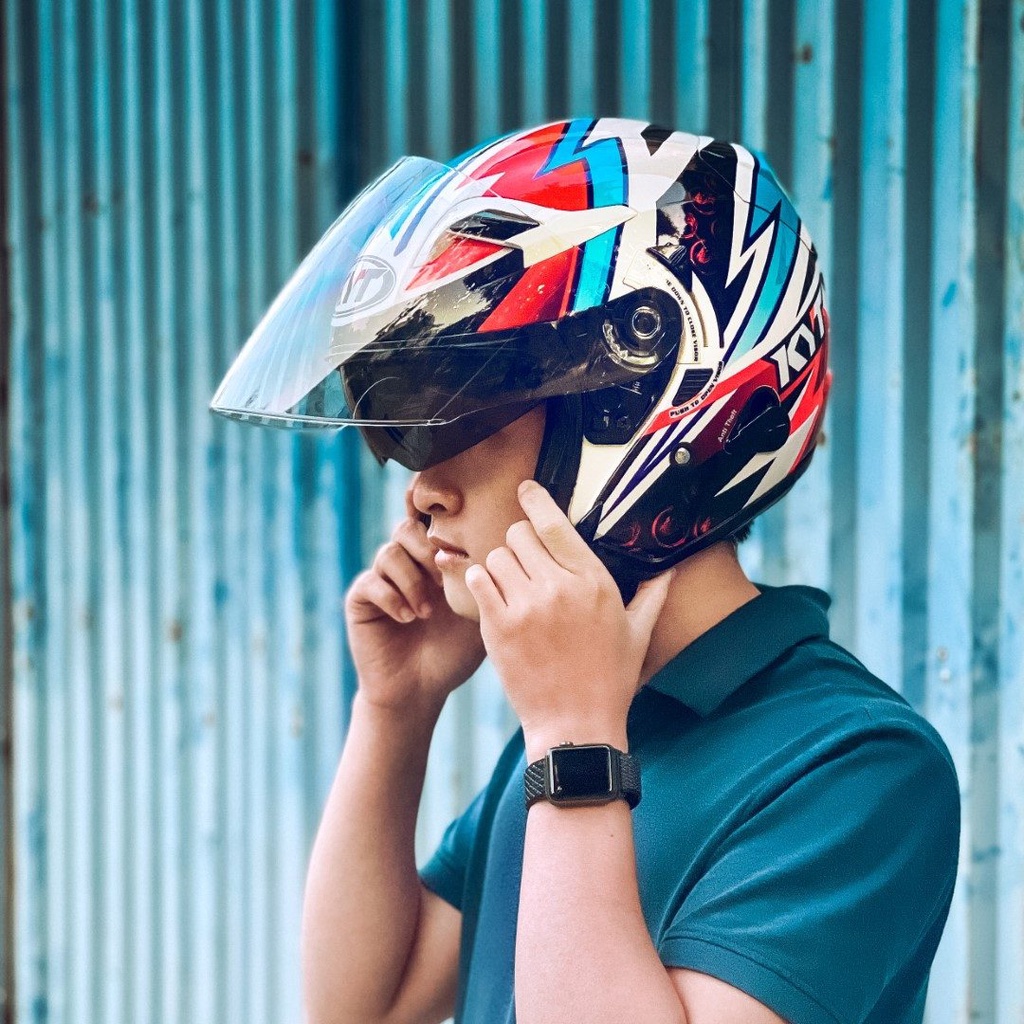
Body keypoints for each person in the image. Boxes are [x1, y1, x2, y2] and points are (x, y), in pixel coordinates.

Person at [212, 118, 960, 1024]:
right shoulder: (587, 718)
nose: (420, 491)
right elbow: (362, 1008)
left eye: (457, 418)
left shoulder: (854, 766)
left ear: (637, 407)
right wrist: (395, 708)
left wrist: (574, 743)